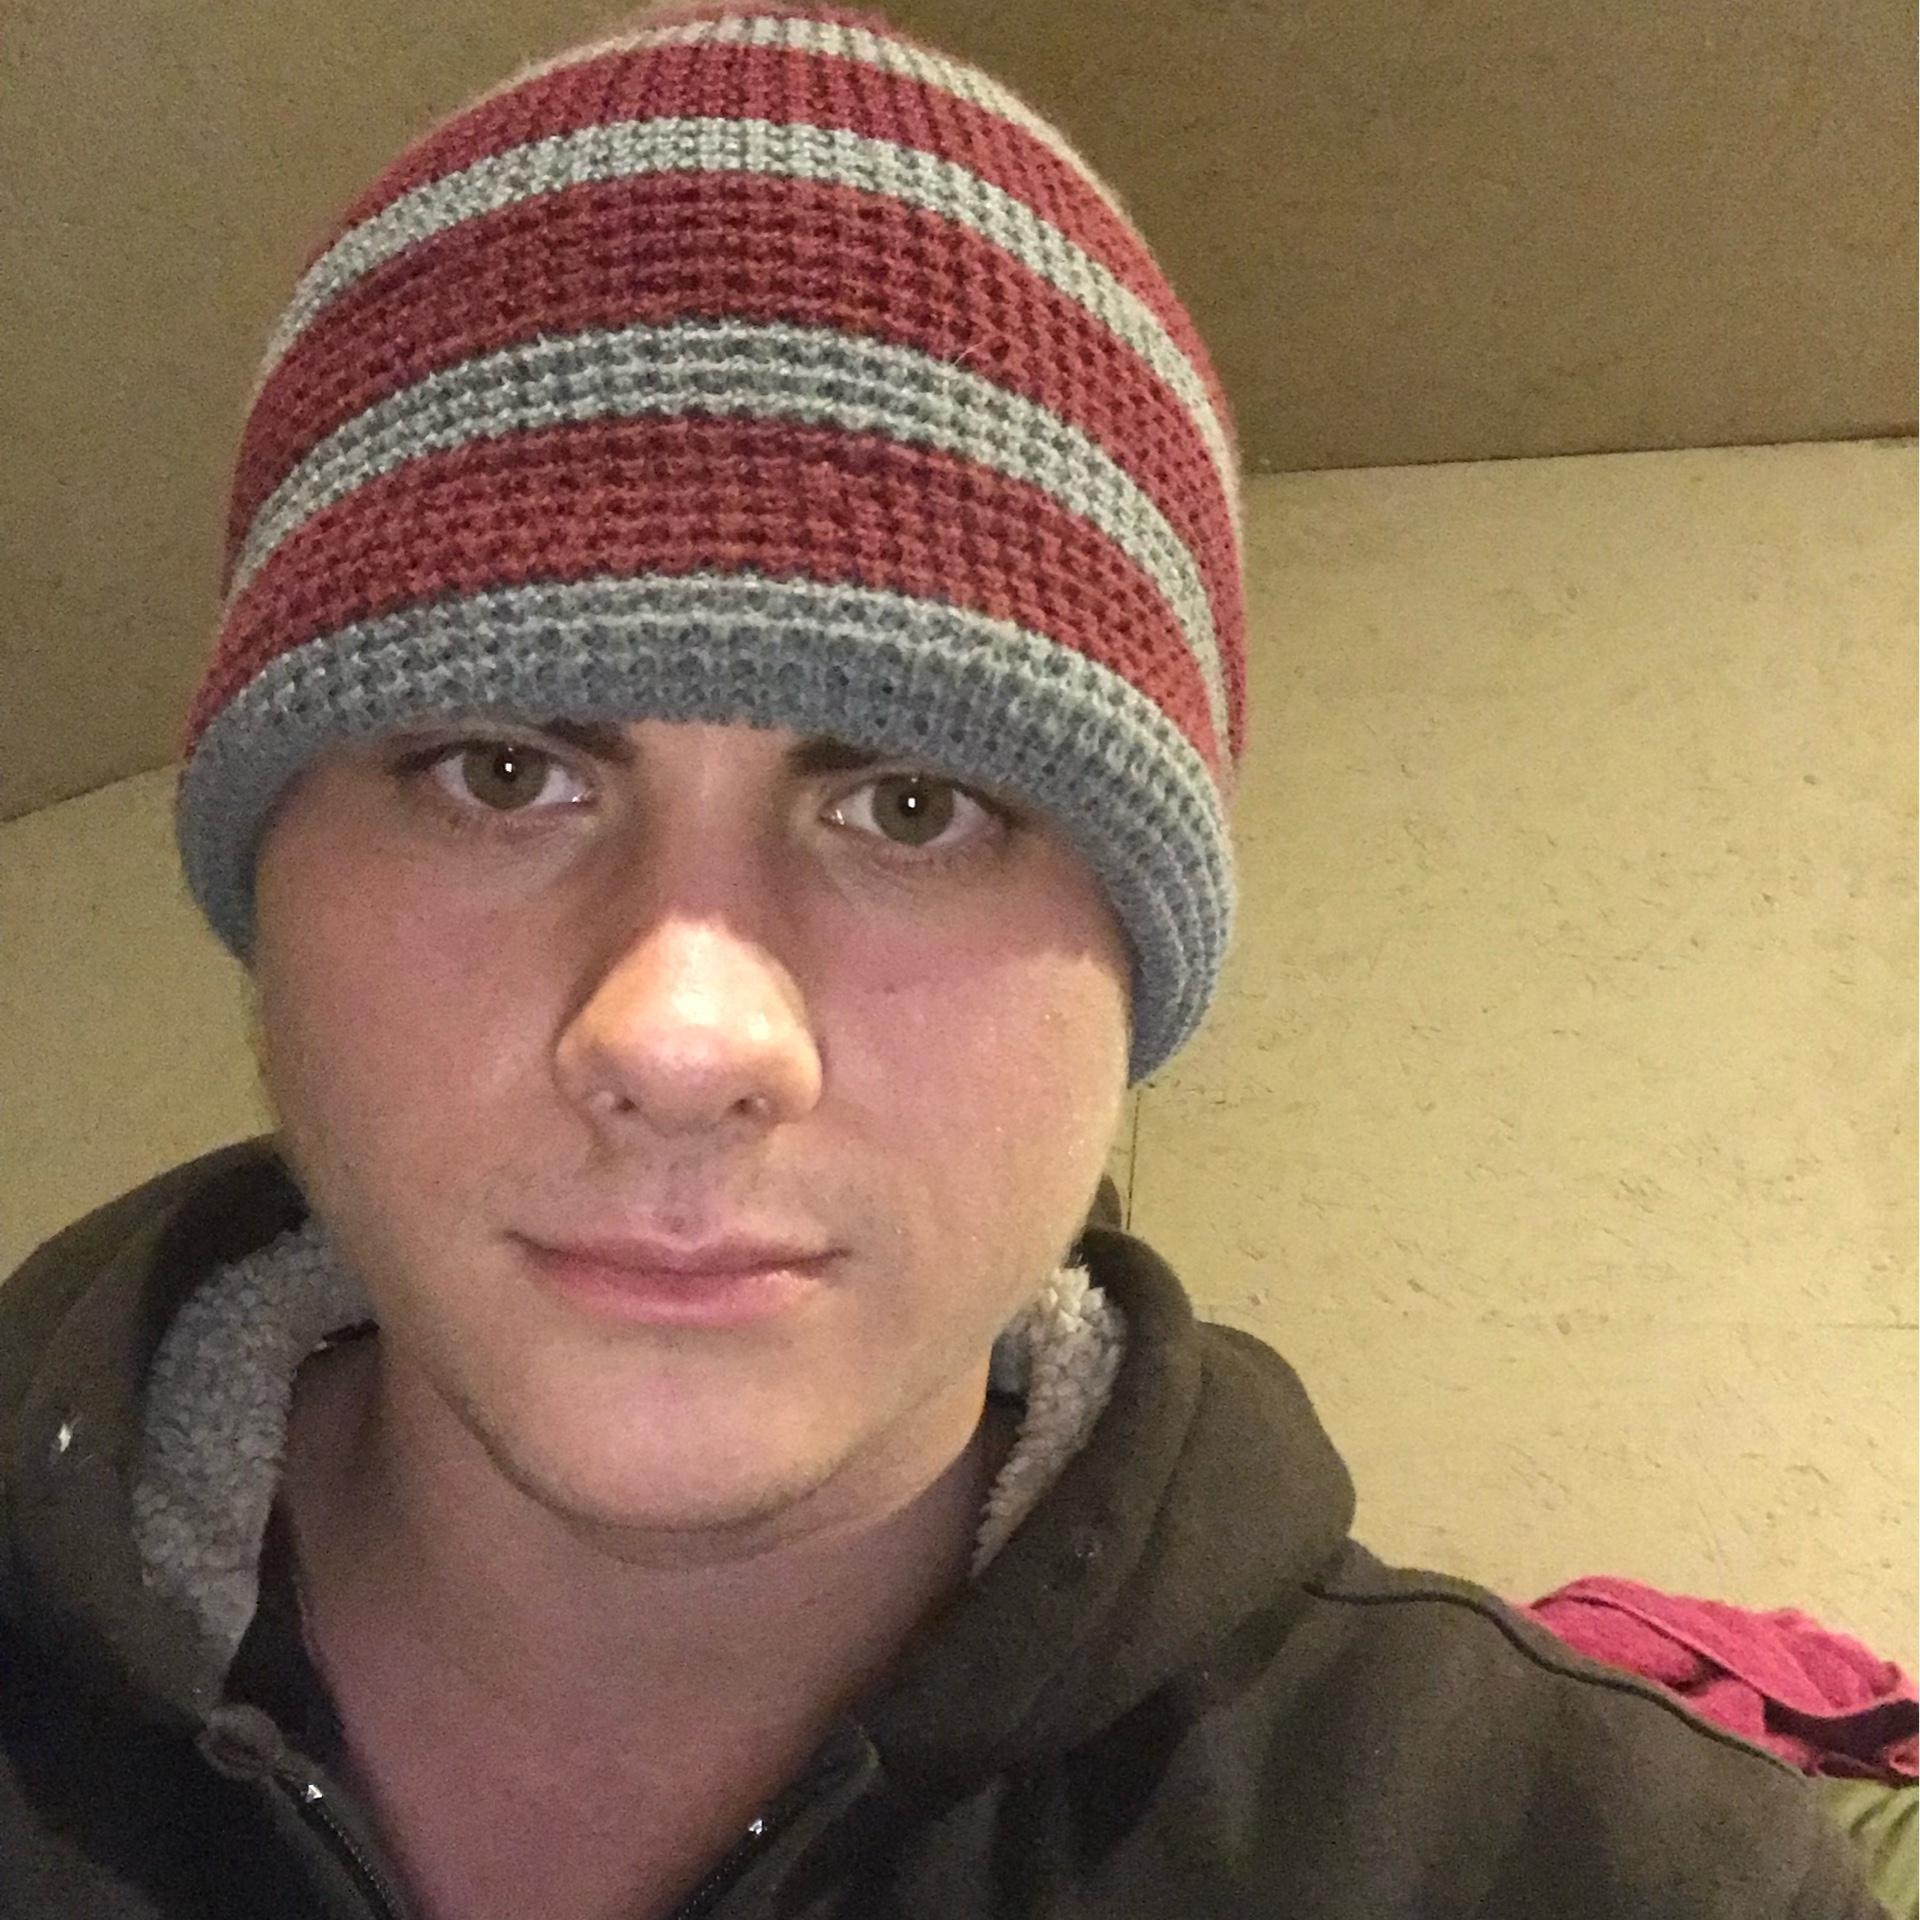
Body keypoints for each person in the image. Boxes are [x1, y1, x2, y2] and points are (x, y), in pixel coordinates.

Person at [0, 3, 1889, 1915]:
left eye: (911, 807)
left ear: (1139, 968)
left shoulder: (1598, 1872)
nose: (682, 1034)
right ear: (261, 888)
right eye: (503, 774)